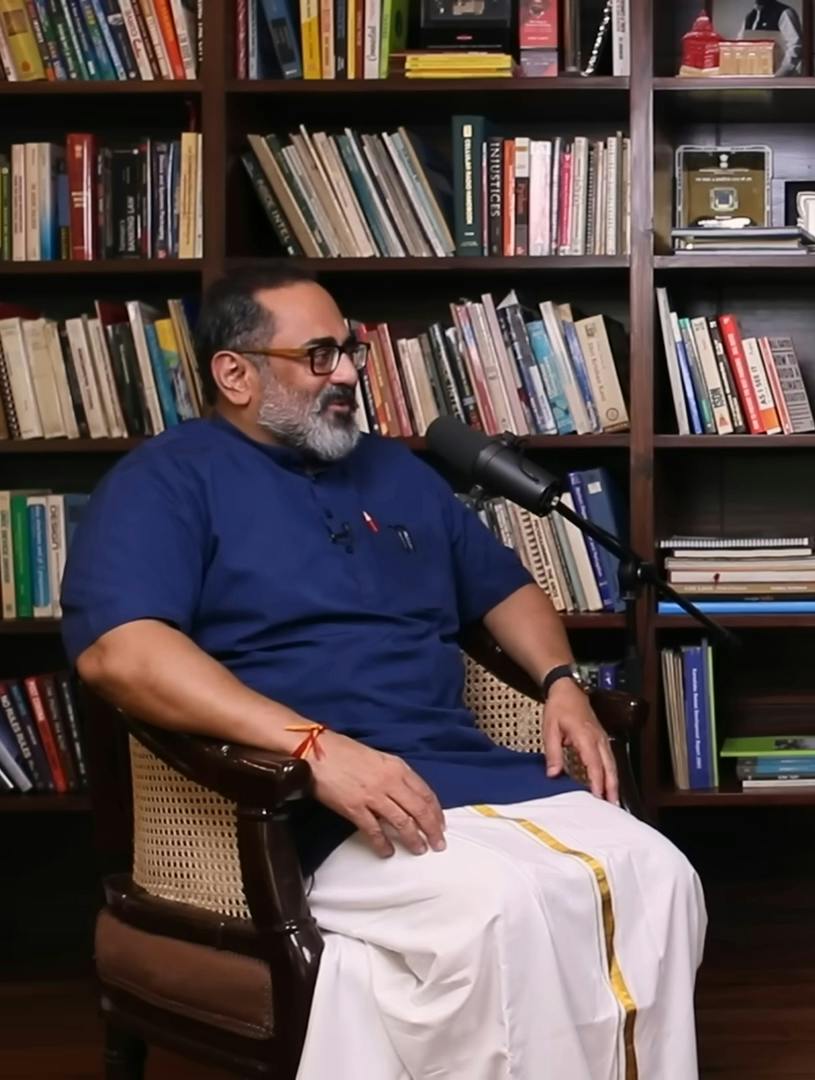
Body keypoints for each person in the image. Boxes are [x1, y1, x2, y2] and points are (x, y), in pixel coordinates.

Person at [62, 265, 707, 1080]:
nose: (349, 375)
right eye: (320, 355)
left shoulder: (396, 471)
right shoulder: (167, 479)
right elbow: (121, 653)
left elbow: (507, 588)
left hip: (464, 768)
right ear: (235, 373)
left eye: (351, 351)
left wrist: (560, 681)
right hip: (294, 804)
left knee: (660, 876)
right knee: (496, 910)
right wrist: (317, 750)